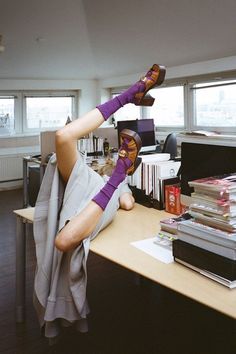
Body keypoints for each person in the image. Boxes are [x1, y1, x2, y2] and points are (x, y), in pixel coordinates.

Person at [33, 64, 166, 340]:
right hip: (99, 188)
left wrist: (118, 180)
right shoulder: (84, 173)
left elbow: (128, 204)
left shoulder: (112, 187)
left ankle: (130, 98)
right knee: (63, 136)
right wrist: (118, 174)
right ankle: (131, 95)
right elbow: (63, 137)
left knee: (63, 240)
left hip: (106, 192)